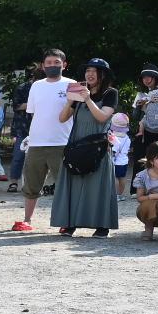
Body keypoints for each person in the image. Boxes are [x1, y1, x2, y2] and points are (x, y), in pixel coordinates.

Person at [50, 60, 120, 237]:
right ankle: (70, 223)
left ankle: (102, 226)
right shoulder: (79, 93)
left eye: (94, 71)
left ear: (103, 75)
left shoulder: (111, 93)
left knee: (98, 185)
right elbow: (62, 118)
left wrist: (87, 99)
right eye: (88, 70)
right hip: (77, 144)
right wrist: (70, 101)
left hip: (97, 146)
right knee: (73, 182)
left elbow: (102, 117)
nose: (90, 74)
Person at [14, 52, 77, 229]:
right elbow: (33, 112)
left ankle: (66, 221)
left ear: (64, 64)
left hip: (62, 142)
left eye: (56, 62)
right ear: (42, 66)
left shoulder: (72, 84)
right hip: (36, 142)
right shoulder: (36, 86)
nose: (52, 65)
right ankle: (27, 220)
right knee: (31, 184)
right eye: (48, 62)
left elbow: (76, 111)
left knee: (64, 185)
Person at [110, 111, 133, 199]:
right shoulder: (127, 137)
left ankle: (115, 195)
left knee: (114, 178)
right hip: (124, 161)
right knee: (122, 178)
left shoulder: (113, 137)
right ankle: (120, 194)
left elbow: (113, 151)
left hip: (115, 162)